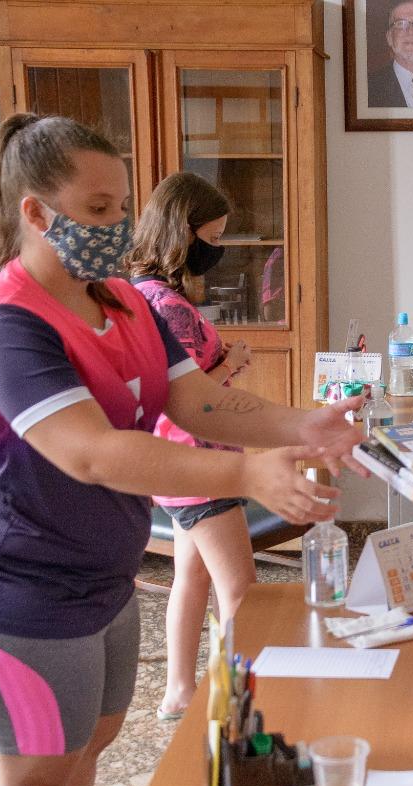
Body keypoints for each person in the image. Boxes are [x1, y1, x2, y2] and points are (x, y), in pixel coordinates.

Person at [0, 114, 364, 786]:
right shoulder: (5, 325)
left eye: (121, 207)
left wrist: (303, 427)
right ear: (36, 213)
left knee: (85, 751)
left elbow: (195, 399)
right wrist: (243, 471)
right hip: (18, 597)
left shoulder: (126, 301)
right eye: (98, 210)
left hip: (104, 581)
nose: (117, 225)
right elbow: (93, 454)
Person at [121, 171, 259, 721]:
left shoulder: (143, 291)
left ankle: (179, 691)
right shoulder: (167, 304)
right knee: (241, 589)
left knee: (192, 577)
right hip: (198, 462)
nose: (218, 249)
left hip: (178, 461)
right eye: (215, 236)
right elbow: (192, 395)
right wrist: (234, 362)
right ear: (185, 231)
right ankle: (237, 700)